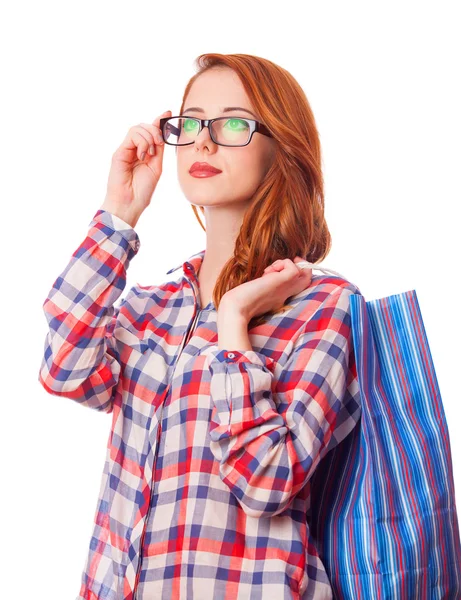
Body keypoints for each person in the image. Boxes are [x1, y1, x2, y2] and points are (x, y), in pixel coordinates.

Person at [39, 53, 362, 600]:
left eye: (234, 123)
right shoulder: (152, 307)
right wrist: (119, 214)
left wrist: (234, 321)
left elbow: (266, 481)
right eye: (191, 123)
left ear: (280, 146)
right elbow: (66, 371)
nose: (203, 142)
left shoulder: (323, 307)